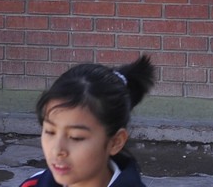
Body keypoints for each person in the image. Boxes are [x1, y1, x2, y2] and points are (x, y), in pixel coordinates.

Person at [20, 55, 155, 187]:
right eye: (50, 132)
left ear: (115, 142)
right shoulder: (33, 184)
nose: (57, 150)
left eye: (76, 137)